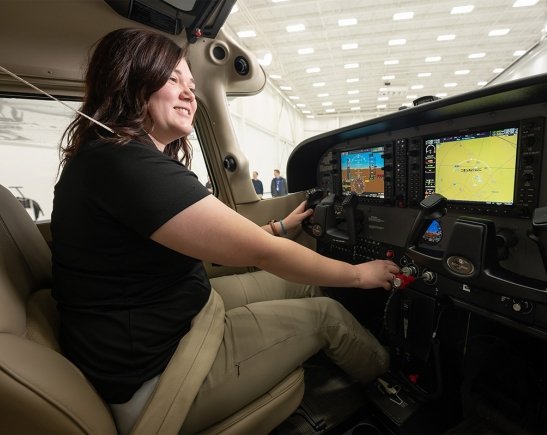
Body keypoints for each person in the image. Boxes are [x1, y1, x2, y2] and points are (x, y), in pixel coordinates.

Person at [50, 28, 399, 434]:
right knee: (327, 313)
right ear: (129, 80)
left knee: (304, 287)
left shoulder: (110, 158)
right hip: (159, 377)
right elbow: (260, 254)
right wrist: (360, 275)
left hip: (174, 322)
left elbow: (212, 244)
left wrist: (281, 226)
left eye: (191, 84)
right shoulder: (124, 163)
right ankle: (393, 387)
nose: (188, 94)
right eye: (171, 79)